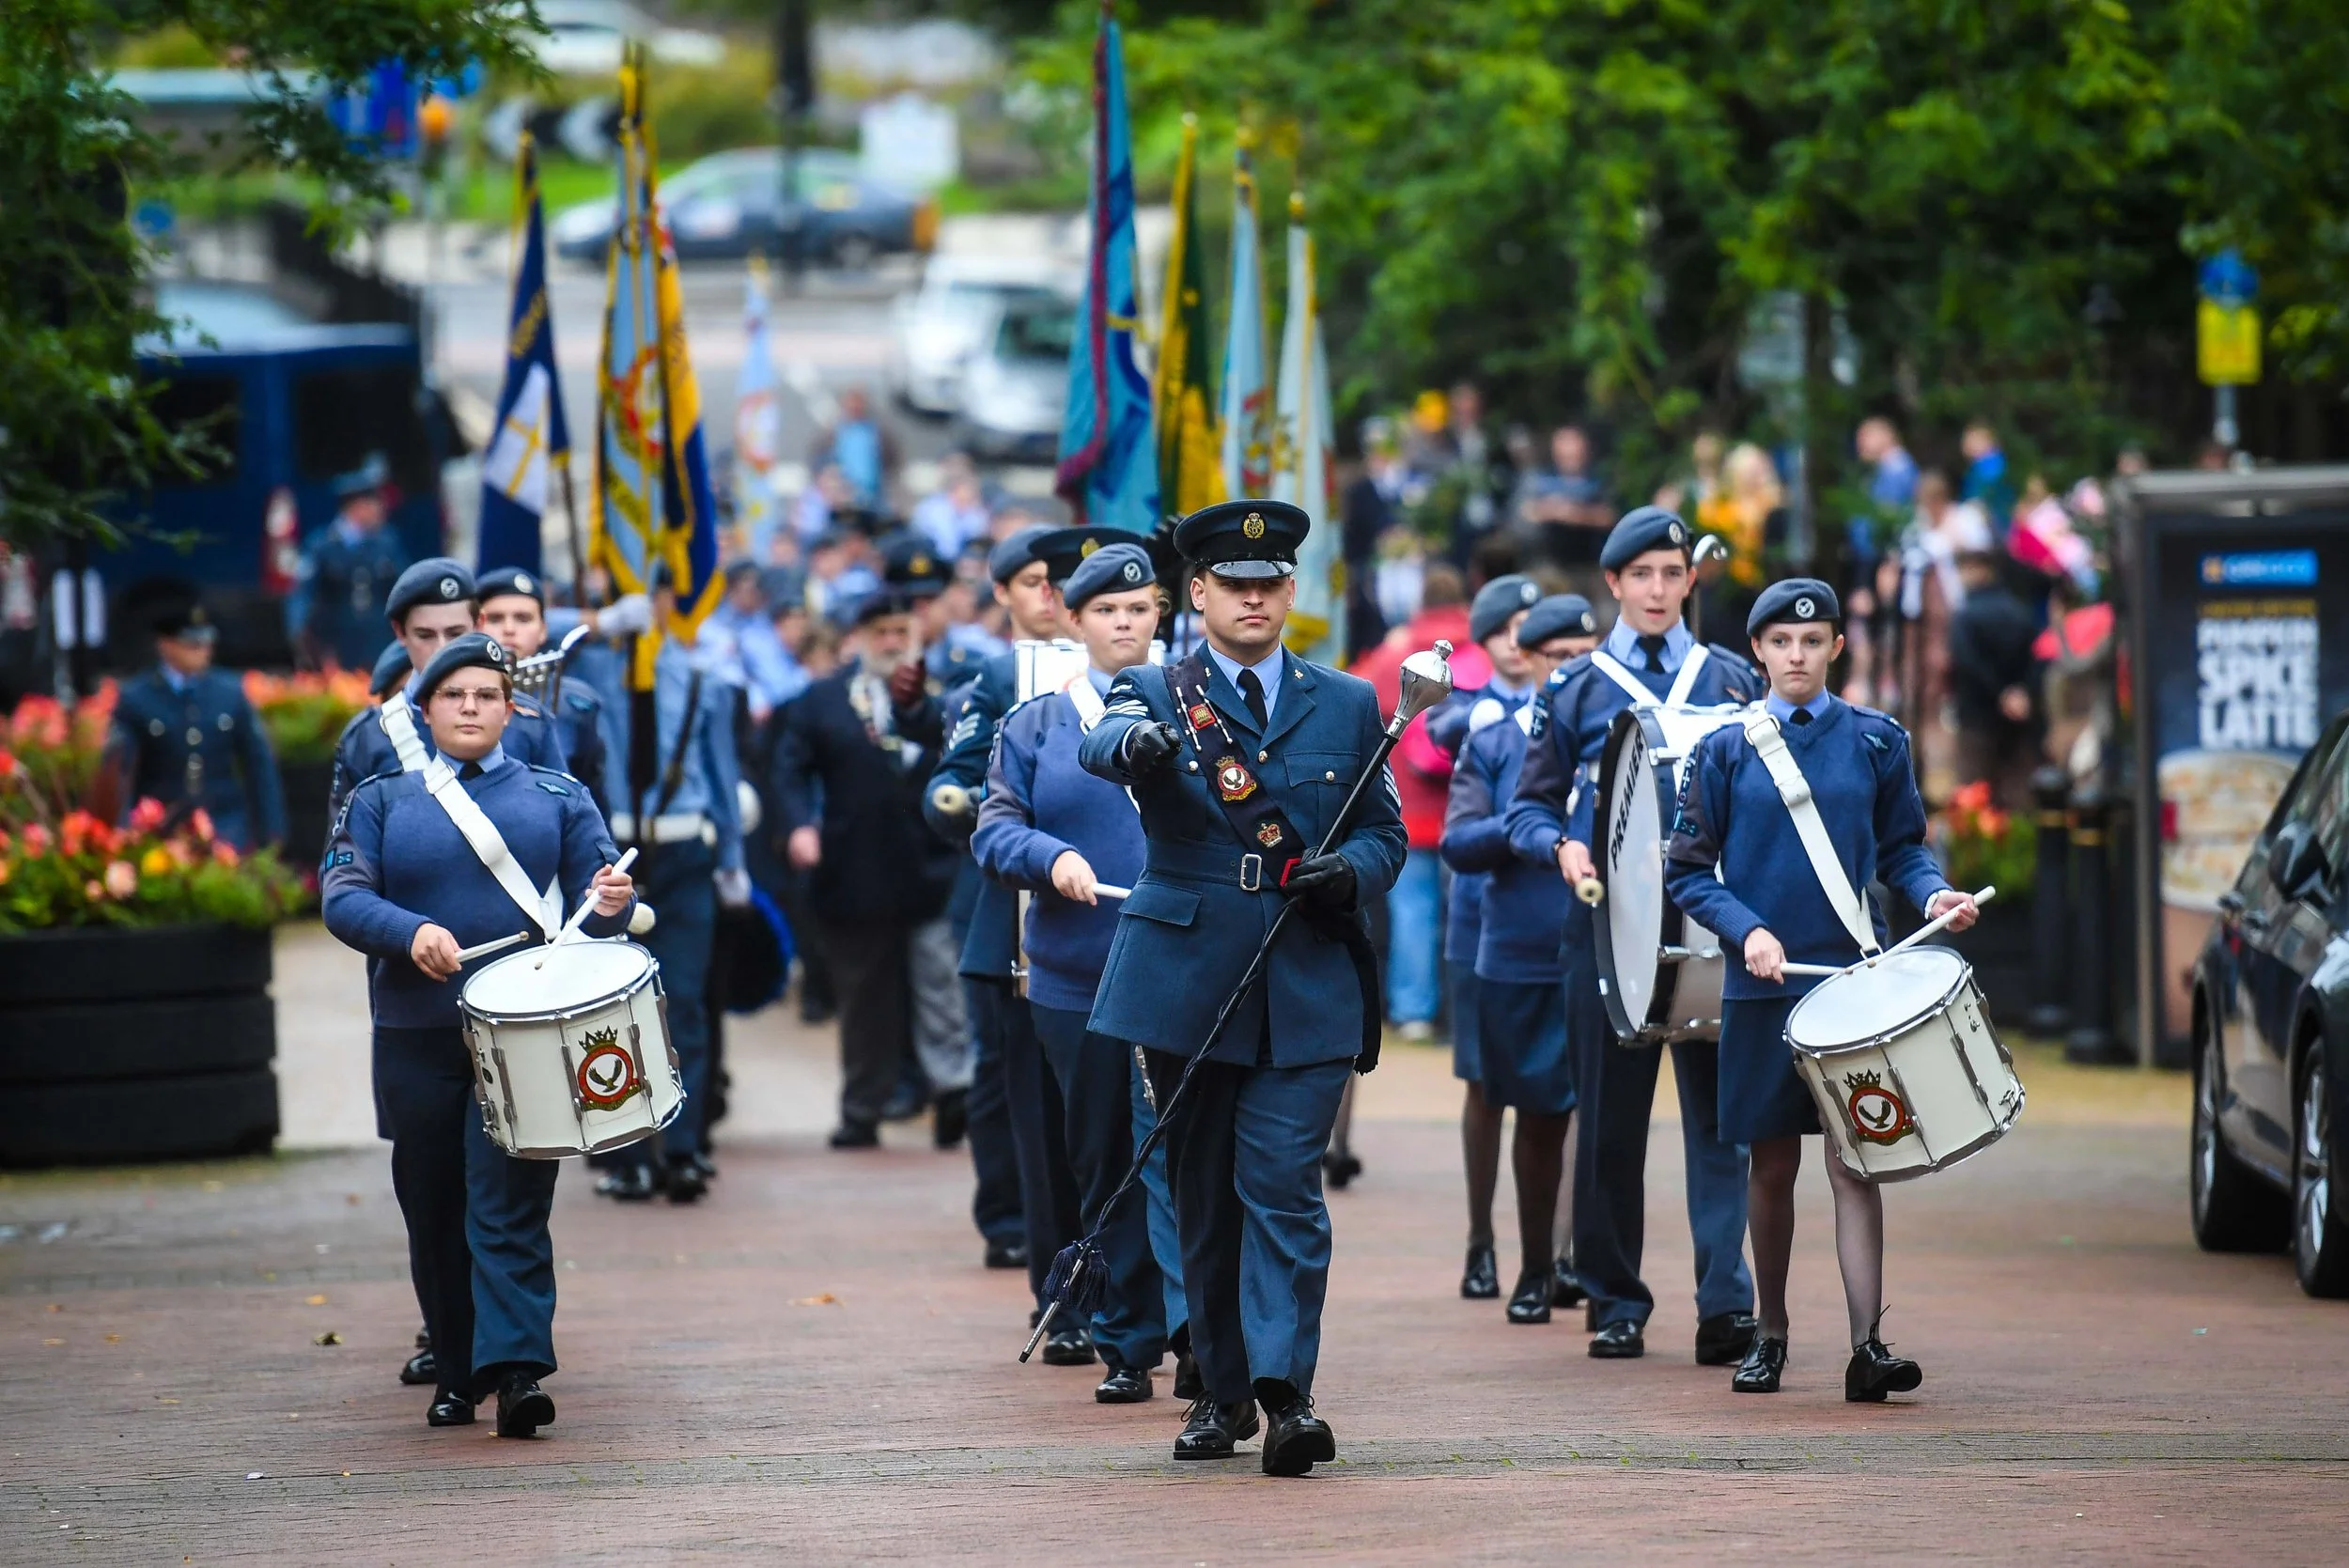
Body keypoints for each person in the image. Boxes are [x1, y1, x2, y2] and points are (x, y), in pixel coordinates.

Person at [1081, 499, 1408, 1477]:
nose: (1255, 598)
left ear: (1291, 592)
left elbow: (1383, 832)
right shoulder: (1153, 686)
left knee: (1283, 1186)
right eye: (1235, 585)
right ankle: (1218, 1391)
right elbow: (1107, 739)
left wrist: (1348, 868)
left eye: (1270, 585)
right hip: (1186, 975)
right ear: (1199, 593)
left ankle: (1287, 1393)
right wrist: (1133, 749)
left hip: (1305, 975)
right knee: (1200, 1192)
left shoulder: (1346, 701)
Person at [1663, 580, 1976, 1399]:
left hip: (1855, 985)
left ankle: (1867, 1344)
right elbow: (1688, 873)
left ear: (1838, 647)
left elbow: (1903, 848)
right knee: (1769, 1167)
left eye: (1813, 642)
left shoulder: (1878, 742)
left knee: (1856, 1163)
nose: (1796, 656)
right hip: (1762, 989)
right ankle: (1769, 1333)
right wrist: (1749, 930)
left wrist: (1935, 891)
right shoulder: (1727, 748)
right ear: (1758, 651)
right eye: (1780, 643)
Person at [321, 632, 636, 1436]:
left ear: (510, 709)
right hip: (417, 1036)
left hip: (523, 1040)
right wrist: (409, 931)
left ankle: (519, 1371)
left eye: (487, 695)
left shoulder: (558, 795)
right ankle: (456, 1373)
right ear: (424, 709)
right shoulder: (382, 799)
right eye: (454, 695)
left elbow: (610, 911)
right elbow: (342, 896)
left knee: (509, 1204)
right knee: (433, 1206)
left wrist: (611, 903)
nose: (470, 707)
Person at [1504, 505, 1760, 1365]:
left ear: (1691, 581)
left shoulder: (1732, 681)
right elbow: (1529, 807)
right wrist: (1560, 843)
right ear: (1612, 583)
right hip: (1607, 931)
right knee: (1610, 1122)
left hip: (1715, 928)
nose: (1657, 590)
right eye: (1640, 575)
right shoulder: (1575, 688)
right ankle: (1616, 1294)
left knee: (1723, 1118)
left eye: (1671, 574)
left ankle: (1726, 1298)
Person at [974, 540, 1188, 1404]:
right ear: (1074, 620)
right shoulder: (1036, 722)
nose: (1125, 622)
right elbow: (994, 829)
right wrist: (1048, 854)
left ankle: (1201, 1331)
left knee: (1187, 1153)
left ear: (1161, 616)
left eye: (1139, 609)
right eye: (1106, 610)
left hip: (1186, 966)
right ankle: (1126, 1338)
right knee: (1103, 1157)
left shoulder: (1201, 707)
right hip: (1078, 972)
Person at [922, 526, 1097, 1360]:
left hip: (1134, 924)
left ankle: (1147, 1295)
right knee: (1044, 1122)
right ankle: (1063, 1296)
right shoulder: (1000, 673)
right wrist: (959, 796)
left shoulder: (1167, 674)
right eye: (1048, 583)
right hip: (1027, 927)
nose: (1056, 598)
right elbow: (951, 778)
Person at [1443, 594, 1598, 1322]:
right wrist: (1533, 823)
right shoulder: (1496, 737)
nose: (1572, 671)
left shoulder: (1613, 734)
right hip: (1515, 944)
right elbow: (1459, 841)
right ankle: (1513, 1255)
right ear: (1530, 661)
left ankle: (1576, 1261)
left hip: (1602, 942)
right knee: (1518, 1102)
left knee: (1587, 1112)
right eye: (1558, 658)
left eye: (1583, 656)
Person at [770, 585, 959, 1149]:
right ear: (859, 639)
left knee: (941, 986)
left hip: (934, 868)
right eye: (881, 634)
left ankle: (953, 1094)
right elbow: (789, 769)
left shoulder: (946, 697)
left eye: (902, 632)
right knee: (864, 998)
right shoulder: (822, 700)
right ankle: (862, 1107)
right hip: (854, 872)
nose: (892, 644)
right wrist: (801, 825)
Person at [592, 580, 747, 1204]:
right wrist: (598, 620)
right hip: (609, 854)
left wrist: (733, 859)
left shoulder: (702, 677)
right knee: (614, 1009)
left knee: (682, 1002)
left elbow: (721, 772)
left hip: (683, 847)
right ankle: (630, 1153)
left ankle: (682, 1147)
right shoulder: (594, 670)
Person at [1418, 571, 1541, 1296]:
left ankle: (1550, 1251)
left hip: (1552, 923)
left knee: (1557, 1096)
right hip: (1479, 922)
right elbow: (1438, 732)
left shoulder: (1569, 707)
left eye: (1530, 633)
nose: (1519, 645)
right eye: (1504, 633)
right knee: (1484, 1083)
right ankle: (1480, 1237)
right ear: (1486, 643)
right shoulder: (1474, 710)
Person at [325, 559, 569, 862]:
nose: (441, 648)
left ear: (480, 626)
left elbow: (568, 832)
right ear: (400, 633)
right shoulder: (368, 737)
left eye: (455, 634)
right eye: (425, 635)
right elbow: (345, 865)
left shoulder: (528, 722)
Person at [110, 592, 287, 852]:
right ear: (165, 644)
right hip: (160, 828)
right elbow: (118, 771)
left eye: (206, 644)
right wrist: (121, 831)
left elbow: (259, 764)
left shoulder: (229, 693)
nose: (202, 652)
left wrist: (272, 833)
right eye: (191, 645)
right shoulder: (137, 698)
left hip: (224, 826)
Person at [474, 567, 609, 815]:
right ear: (475, 626)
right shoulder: (458, 698)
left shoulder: (576, 705)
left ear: (544, 630)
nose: (509, 629)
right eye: (495, 619)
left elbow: (593, 796)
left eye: (523, 619)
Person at [289, 456, 409, 672]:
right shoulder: (322, 545)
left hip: (378, 642)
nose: (381, 510)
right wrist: (299, 630)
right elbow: (303, 593)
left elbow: (403, 586)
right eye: (374, 503)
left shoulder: (387, 542)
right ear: (356, 506)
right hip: (334, 644)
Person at [1946, 550, 2043, 807]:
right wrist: (2020, 694)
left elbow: (1968, 662)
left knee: (1973, 796)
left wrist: (2000, 694)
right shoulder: (2020, 611)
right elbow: (2035, 658)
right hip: (2018, 717)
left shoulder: (1965, 615)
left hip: (1976, 717)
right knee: (2016, 793)